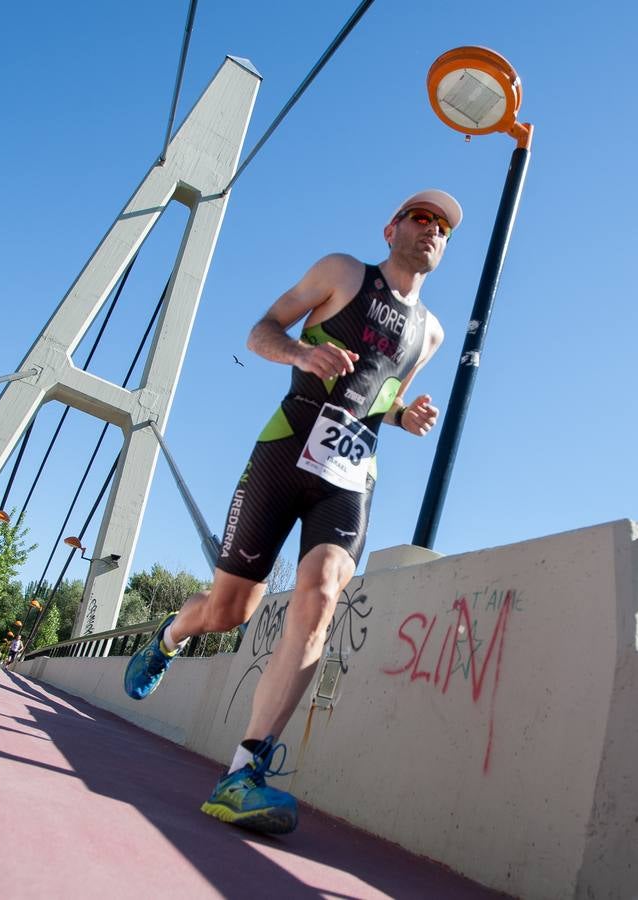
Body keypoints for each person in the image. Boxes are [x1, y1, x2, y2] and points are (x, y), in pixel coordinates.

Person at [124, 189, 462, 834]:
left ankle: (242, 772)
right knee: (231, 612)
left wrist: (403, 414)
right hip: (286, 452)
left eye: (442, 227)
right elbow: (261, 331)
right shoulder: (341, 273)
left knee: (322, 591)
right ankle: (171, 634)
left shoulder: (433, 332)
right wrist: (302, 354)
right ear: (391, 226)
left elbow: (381, 393)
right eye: (420, 218)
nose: (430, 230)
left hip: (348, 473)